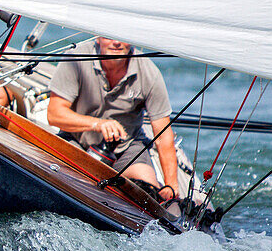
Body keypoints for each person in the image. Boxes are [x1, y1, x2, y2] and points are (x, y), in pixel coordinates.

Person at [47, 36, 179, 201]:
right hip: (77, 142)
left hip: (127, 150)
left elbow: (163, 135)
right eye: (109, 36)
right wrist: (97, 124)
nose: (116, 42)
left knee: (146, 191)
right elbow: (54, 114)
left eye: (123, 37)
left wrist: (172, 187)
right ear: (98, 37)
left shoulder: (149, 73)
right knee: (56, 175)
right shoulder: (76, 57)